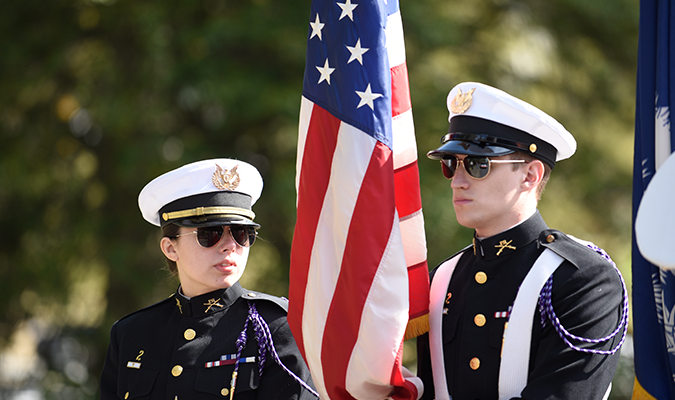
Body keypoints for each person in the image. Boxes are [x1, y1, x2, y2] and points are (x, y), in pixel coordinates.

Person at [416, 82, 628, 400]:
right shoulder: (443, 280)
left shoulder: (582, 279)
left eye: (477, 165)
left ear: (530, 175)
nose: (457, 182)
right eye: (451, 164)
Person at [100, 158, 317, 400]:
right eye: (209, 234)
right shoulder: (131, 334)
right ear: (170, 248)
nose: (229, 246)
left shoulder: (276, 327)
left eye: (241, 233)